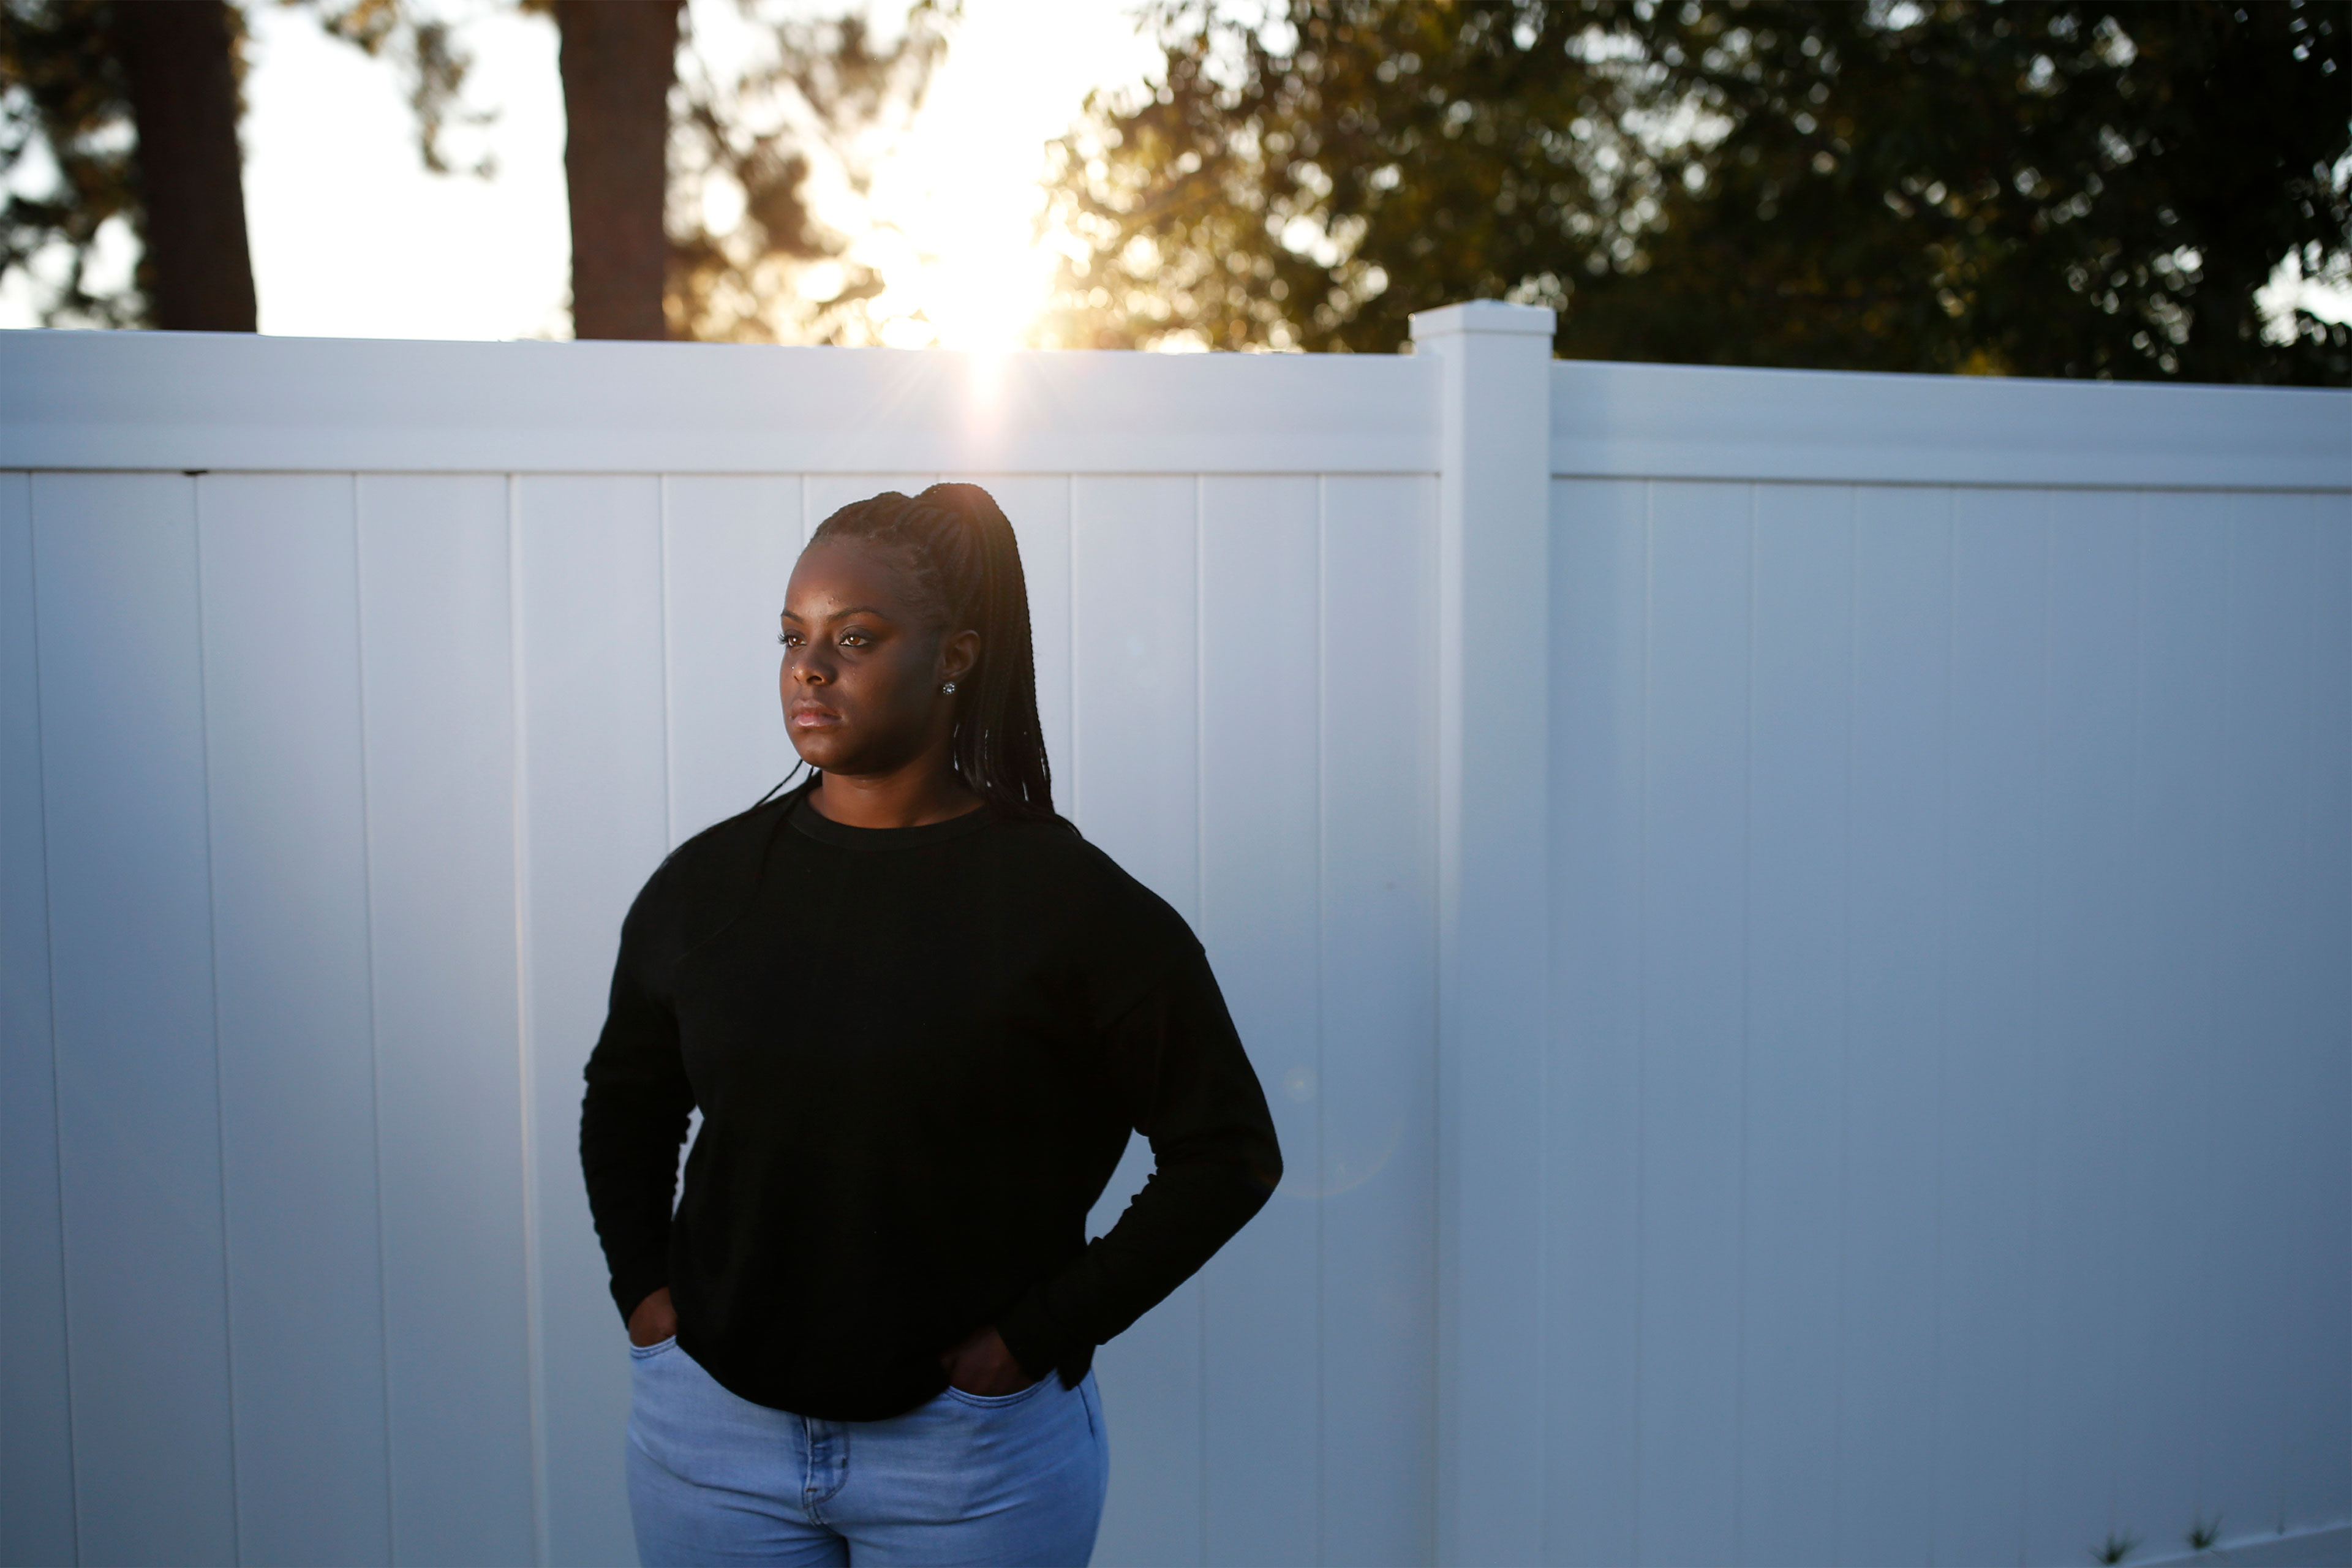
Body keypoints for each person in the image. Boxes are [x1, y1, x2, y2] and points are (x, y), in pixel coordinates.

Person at [579, 483, 1283, 1567]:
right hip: (712, 1444)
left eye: (854, 638)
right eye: (792, 637)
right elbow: (627, 1103)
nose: (809, 667)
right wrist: (647, 1301)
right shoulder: (708, 885)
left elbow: (1227, 1155)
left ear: (955, 655)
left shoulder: (1078, 909)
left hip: (970, 1465)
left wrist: (1028, 1342)